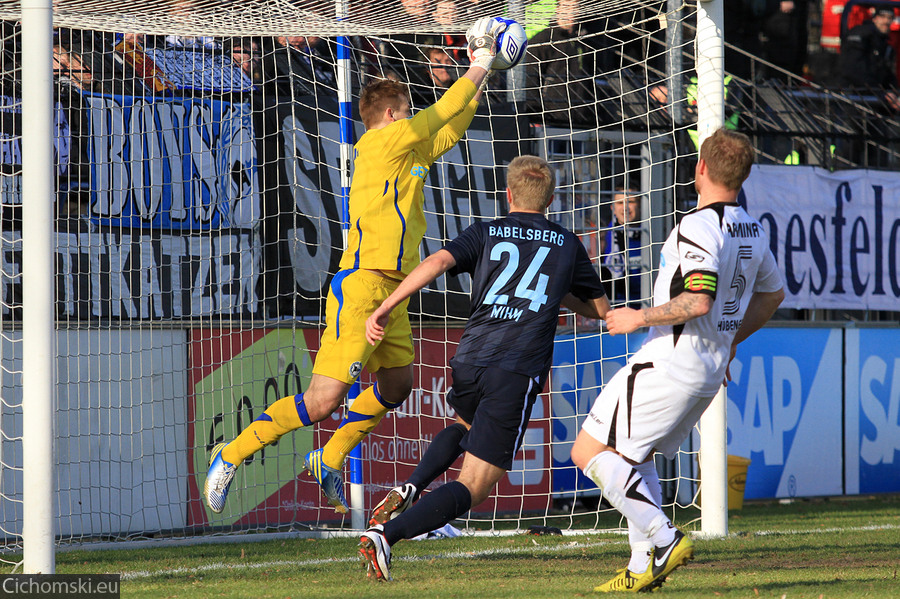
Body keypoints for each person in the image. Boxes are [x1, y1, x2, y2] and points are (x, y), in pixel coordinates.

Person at [203, 18, 511, 516]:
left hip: (395, 290)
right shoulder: (382, 142)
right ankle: (231, 454)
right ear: (391, 114)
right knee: (323, 401)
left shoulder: (403, 151)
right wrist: (478, 62)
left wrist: (488, 72)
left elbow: (450, 127)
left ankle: (328, 458)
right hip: (364, 285)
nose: (413, 118)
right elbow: (442, 111)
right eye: (407, 112)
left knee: (397, 386)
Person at [357, 154, 609, 581]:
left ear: (508, 194)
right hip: (515, 367)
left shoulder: (486, 231)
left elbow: (437, 262)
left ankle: (413, 486)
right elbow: (600, 309)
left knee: (463, 422)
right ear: (551, 198)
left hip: (470, 358)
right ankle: (388, 534)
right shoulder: (567, 244)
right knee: (474, 485)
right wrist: (556, 289)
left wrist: (386, 305)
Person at [569, 128, 785, 593]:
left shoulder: (698, 225)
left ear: (701, 168)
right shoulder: (752, 227)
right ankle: (640, 563)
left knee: (586, 451)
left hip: (670, 360)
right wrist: (730, 344)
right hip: (705, 368)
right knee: (633, 454)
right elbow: (773, 294)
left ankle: (665, 540)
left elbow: (700, 299)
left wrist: (638, 316)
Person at [600, 187, 644, 308]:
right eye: (620, 203)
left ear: (640, 205)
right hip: (618, 307)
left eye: (630, 202)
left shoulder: (650, 233)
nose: (625, 207)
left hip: (648, 303)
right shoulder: (605, 237)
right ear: (612, 208)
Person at [839, 8, 897, 91]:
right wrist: (879, 92)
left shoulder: (885, 43)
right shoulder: (862, 35)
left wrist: (894, 92)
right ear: (874, 18)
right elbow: (853, 69)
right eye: (882, 17)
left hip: (872, 91)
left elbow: (886, 73)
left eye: (890, 18)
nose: (886, 21)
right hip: (854, 92)